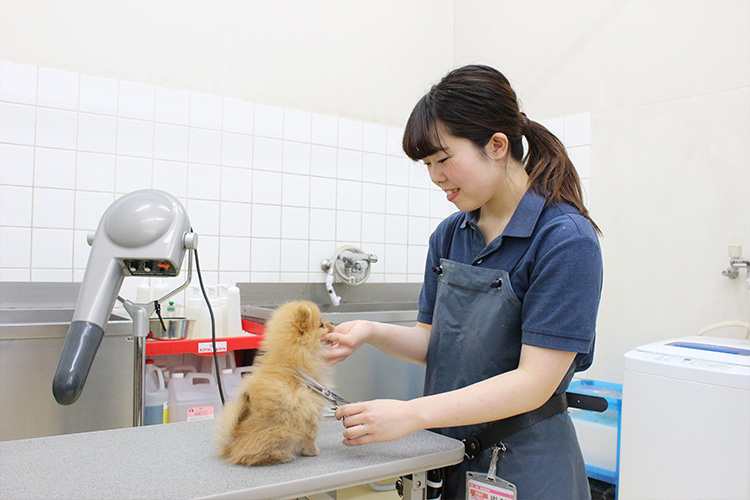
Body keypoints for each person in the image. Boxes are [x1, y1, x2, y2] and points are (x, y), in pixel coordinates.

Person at [323, 64, 603, 499]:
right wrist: (371, 333)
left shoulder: (565, 239)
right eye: (428, 164)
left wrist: (412, 413)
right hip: (446, 455)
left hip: (523, 463)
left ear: (496, 145)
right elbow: (436, 343)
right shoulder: (451, 235)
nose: (435, 176)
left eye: (443, 159)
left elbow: (534, 381)